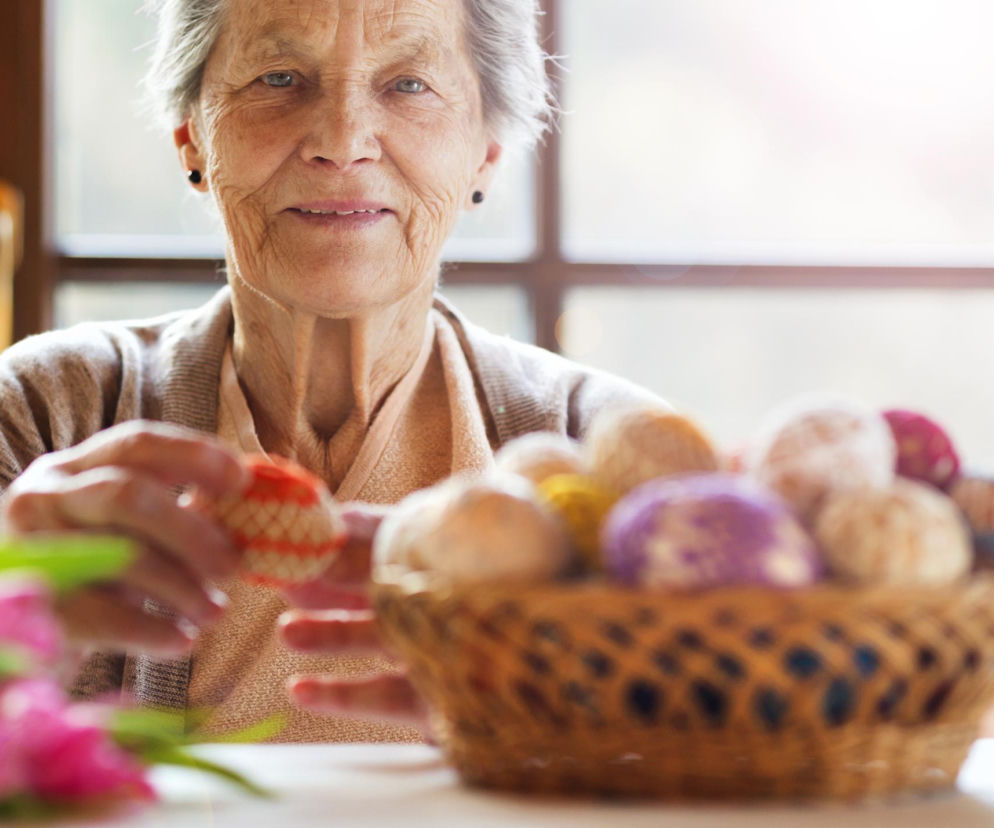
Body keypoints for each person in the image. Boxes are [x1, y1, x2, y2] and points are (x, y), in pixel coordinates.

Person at [0, 0, 662, 742]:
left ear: (485, 153)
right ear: (192, 136)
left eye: (408, 85)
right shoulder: (38, 415)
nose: (342, 142)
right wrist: (15, 629)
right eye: (279, 77)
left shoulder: (608, 457)